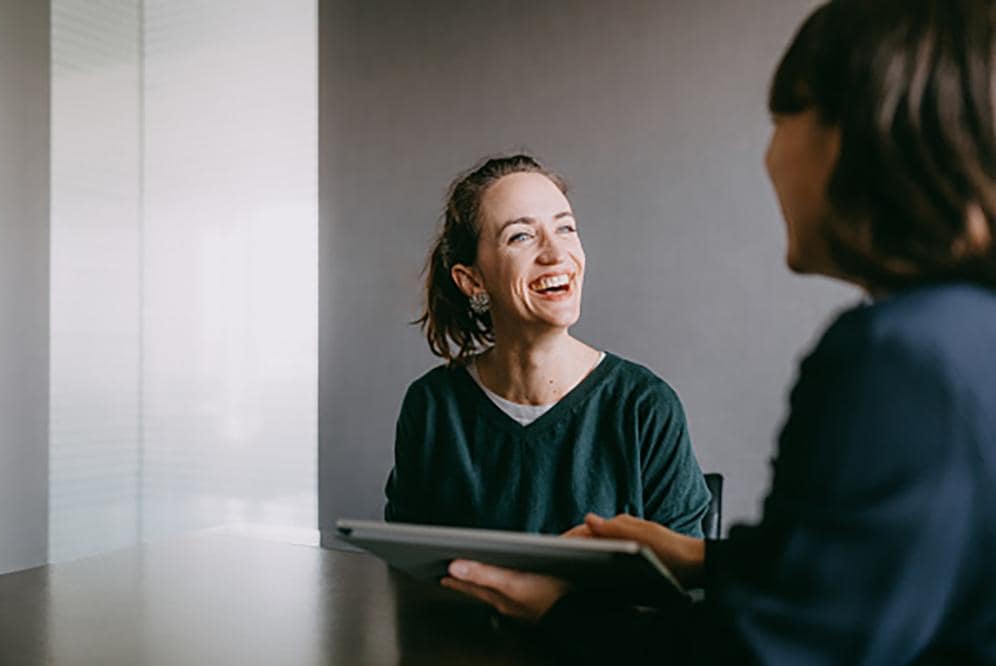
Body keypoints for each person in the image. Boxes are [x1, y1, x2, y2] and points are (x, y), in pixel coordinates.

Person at [442, 2, 996, 663]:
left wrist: (559, 613)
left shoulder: (897, 360)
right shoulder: (964, 335)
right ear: (468, 278)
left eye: (781, 121)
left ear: (849, 135)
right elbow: (866, 572)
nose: (768, 156)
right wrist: (703, 558)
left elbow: (762, 652)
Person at [385, 154, 713, 537]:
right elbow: (407, 570)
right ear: (472, 280)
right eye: (521, 236)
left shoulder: (645, 406)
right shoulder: (432, 407)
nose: (557, 255)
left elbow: (683, 584)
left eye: (566, 228)